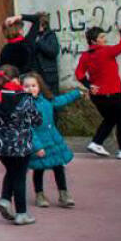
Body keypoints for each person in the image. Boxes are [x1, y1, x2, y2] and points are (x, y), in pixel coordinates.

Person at [0, 66, 42, 225]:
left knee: (12, 171)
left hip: (1, 147)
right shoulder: (25, 98)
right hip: (21, 145)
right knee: (19, 177)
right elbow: (37, 120)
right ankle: (21, 213)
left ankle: (5, 199)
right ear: (15, 80)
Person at [75, 26, 121, 159]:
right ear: (93, 41)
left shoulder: (85, 55)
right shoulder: (106, 51)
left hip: (97, 96)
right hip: (113, 94)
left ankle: (97, 142)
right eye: (101, 37)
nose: (105, 39)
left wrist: (89, 85)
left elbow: (79, 73)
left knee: (110, 119)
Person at [23, 72, 80, 209]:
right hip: (39, 142)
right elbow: (29, 128)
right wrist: (37, 147)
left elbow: (61, 100)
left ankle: (63, 193)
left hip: (53, 139)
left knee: (58, 166)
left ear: (40, 86)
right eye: (26, 86)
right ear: (22, 88)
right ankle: (39, 194)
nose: (31, 89)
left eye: (33, 85)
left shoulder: (47, 99)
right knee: (39, 169)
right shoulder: (24, 105)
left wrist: (77, 93)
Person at [9, 12, 61, 88]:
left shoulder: (50, 35)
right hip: (35, 76)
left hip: (48, 76)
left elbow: (53, 51)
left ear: (44, 25)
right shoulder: (31, 36)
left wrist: (39, 42)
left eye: (39, 24)